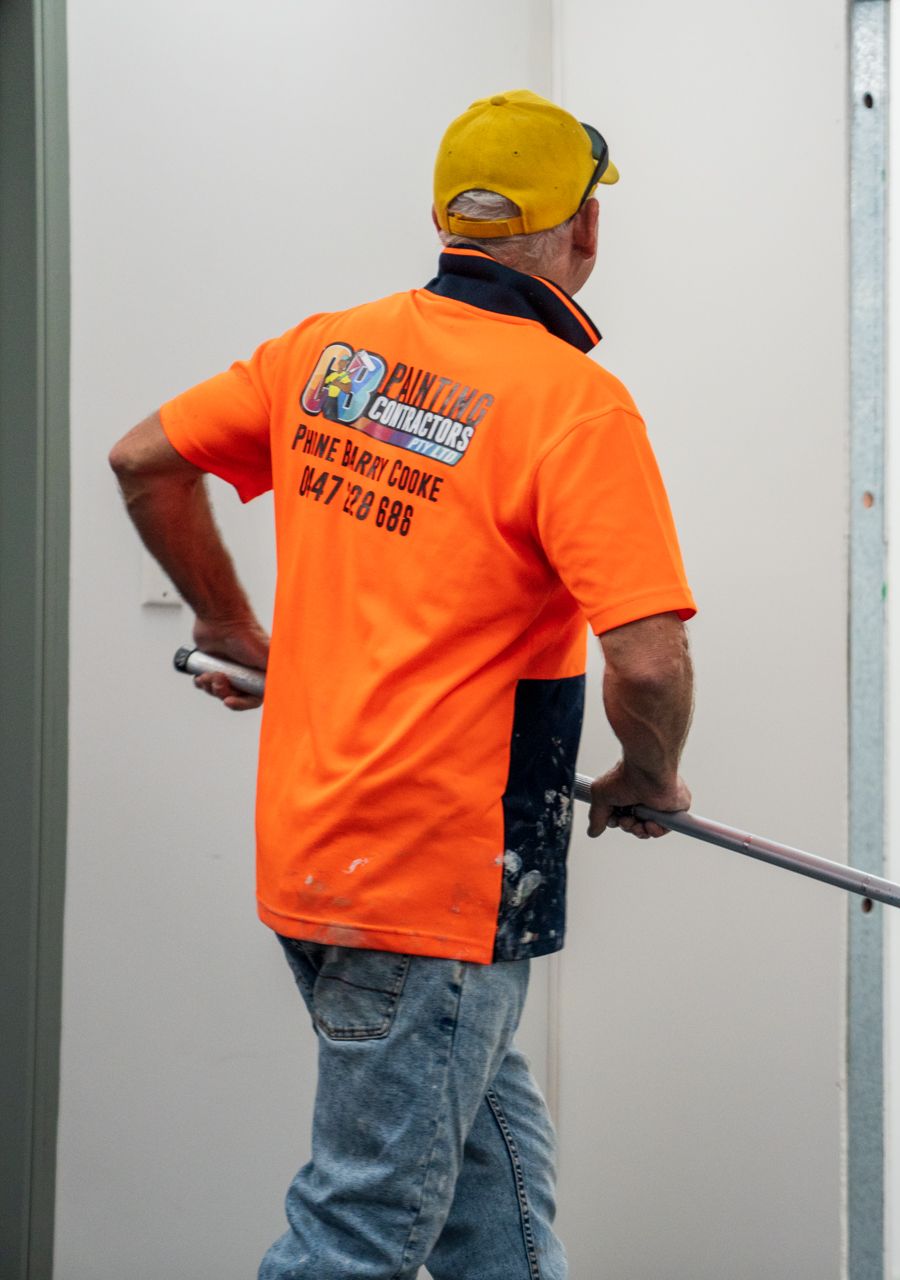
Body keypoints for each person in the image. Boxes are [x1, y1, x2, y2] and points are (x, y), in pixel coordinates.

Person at [107, 89, 695, 1279]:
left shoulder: (328, 352)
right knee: (362, 1230)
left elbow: (144, 458)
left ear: (446, 217)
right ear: (584, 229)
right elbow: (646, 656)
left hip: (319, 852)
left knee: (498, 1188)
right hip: (437, 877)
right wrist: (648, 772)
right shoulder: (571, 404)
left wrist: (234, 625)